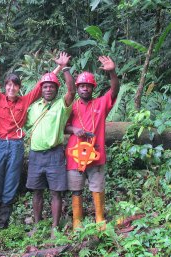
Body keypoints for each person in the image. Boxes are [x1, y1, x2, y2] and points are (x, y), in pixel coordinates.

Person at [0, 36, 66, 229]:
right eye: (9, 85)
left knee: (11, 181)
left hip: (17, 145)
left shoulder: (25, 101)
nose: (11, 88)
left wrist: (59, 68)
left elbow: (43, 85)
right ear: (5, 87)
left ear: (19, 87)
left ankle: (3, 222)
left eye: (15, 85)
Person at [65, 56, 119, 231]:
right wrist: (73, 129)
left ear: (92, 88)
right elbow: (62, 127)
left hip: (95, 155)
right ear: (78, 88)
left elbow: (114, 91)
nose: (84, 88)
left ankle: (99, 218)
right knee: (76, 188)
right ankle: (77, 221)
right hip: (75, 155)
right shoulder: (71, 106)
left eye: (88, 85)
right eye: (81, 86)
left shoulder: (100, 103)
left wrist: (112, 71)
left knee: (97, 186)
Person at [24, 55, 75, 238]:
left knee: (56, 192)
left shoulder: (62, 105)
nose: (48, 89)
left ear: (56, 89)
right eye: (45, 86)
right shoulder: (34, 107)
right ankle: (37, 225)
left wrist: (65, 68)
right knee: (37, 191)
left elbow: (71, 91)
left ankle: (54, 227)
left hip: (55, 154)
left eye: (51, 86)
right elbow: (24, 124)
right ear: (41, 89)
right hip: (36, 155)